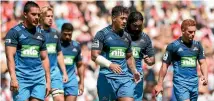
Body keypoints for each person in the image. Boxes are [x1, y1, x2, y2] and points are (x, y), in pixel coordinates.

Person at [91, 6, 140, 101]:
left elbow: (129, 57)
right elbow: (94, 56)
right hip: (106, 78)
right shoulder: (102, 34)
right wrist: (110, 65)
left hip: (124, 79)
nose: (125, 21)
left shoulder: (127, 37)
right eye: (122, 18)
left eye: (126, 18)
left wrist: (134, 71)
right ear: (113, 18)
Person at [4, 1, 51, 101]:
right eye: (33, 14)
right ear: (25, 14)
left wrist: (48, 81)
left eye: (38, 15)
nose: (37, 17)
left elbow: (44, 58)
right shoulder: (14, 32)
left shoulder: (41, 34)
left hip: (39, 79)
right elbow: (9, 57)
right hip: (21, 79)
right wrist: (13, 78)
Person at [154, 19, 208, 101]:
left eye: (194, 32)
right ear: (182, 30)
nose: (193, 34)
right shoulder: (173, 46)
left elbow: (203, 63)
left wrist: (205, 75)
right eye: (190, 32)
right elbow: (164, 66)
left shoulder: (198, 46)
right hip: (180, 84)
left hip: (194, 84)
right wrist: (159, 84)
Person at [39, 6, 68, 101]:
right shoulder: (35, 33)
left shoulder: (55, 33)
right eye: (48, 16)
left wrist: (64, 72)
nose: (51, 18)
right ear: (42, 17)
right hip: (39, 73)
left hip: (54, 72)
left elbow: (59, 54)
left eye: (52, 16)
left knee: (60, 99)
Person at [125, 11, 155, 101]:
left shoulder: (145, 38)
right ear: (129, 23)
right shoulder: (121, 35)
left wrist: (150, 61)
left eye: (139, 25)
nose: (137, 28)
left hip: (138, 77)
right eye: (135, 25)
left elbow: (152, 59)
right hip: (122, 75)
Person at [60, 23, 85, 101]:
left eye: (69, 34)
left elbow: (80, 65)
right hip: (58, 81)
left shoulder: (76, 46)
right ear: (61, 32)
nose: (67, 36)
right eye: (65, 34)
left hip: (71, 81)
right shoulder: (56, 45)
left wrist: (81, 83)